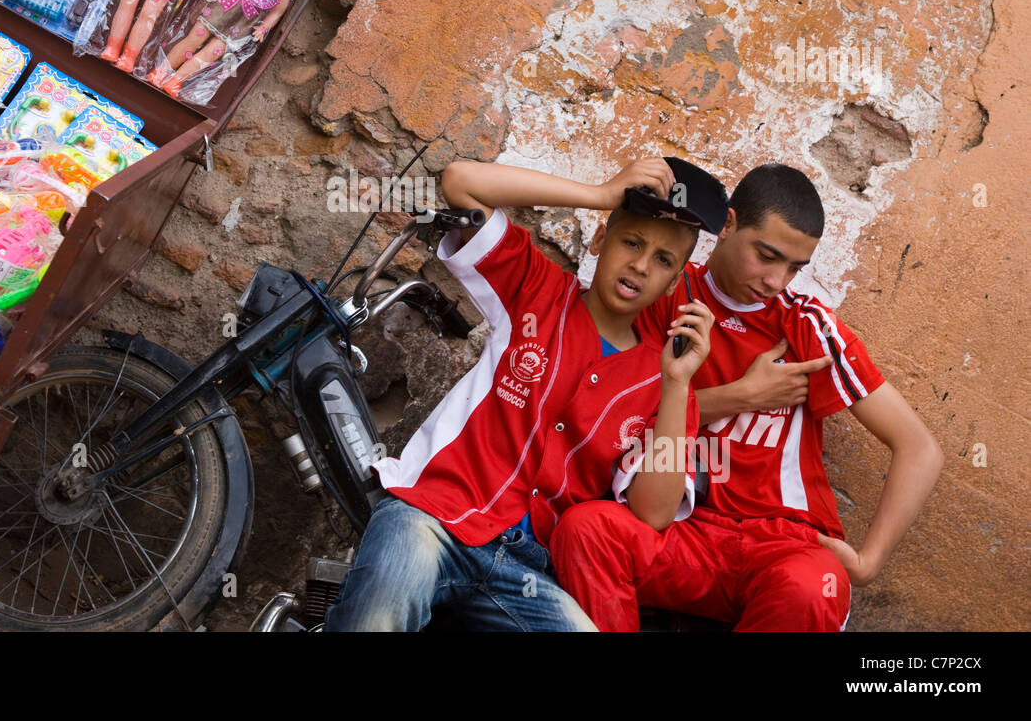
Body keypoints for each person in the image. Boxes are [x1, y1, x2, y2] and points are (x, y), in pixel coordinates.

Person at [324, 155, 727, 631]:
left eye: (663, 261)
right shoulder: (535, 290)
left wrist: (678, 382)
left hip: (527, 573)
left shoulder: (662, 379)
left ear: (673, 282)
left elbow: (654, 513)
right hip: (435, 519)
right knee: (379, 615)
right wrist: (600, 192)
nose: (639, 266)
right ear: (600, 238)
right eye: (631, 241)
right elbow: (461, 182)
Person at [550, 163, 944, 631]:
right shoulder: (666, 293)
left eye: (795, 267)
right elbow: (635, 415)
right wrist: (740, 396)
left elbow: (920, 449)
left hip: (783, 544)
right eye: (767, 255)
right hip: (683, 532)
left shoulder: (805, 325)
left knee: (815, 586)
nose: (778, 280)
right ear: (729, 225)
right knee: (585, 529)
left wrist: (868, 562)